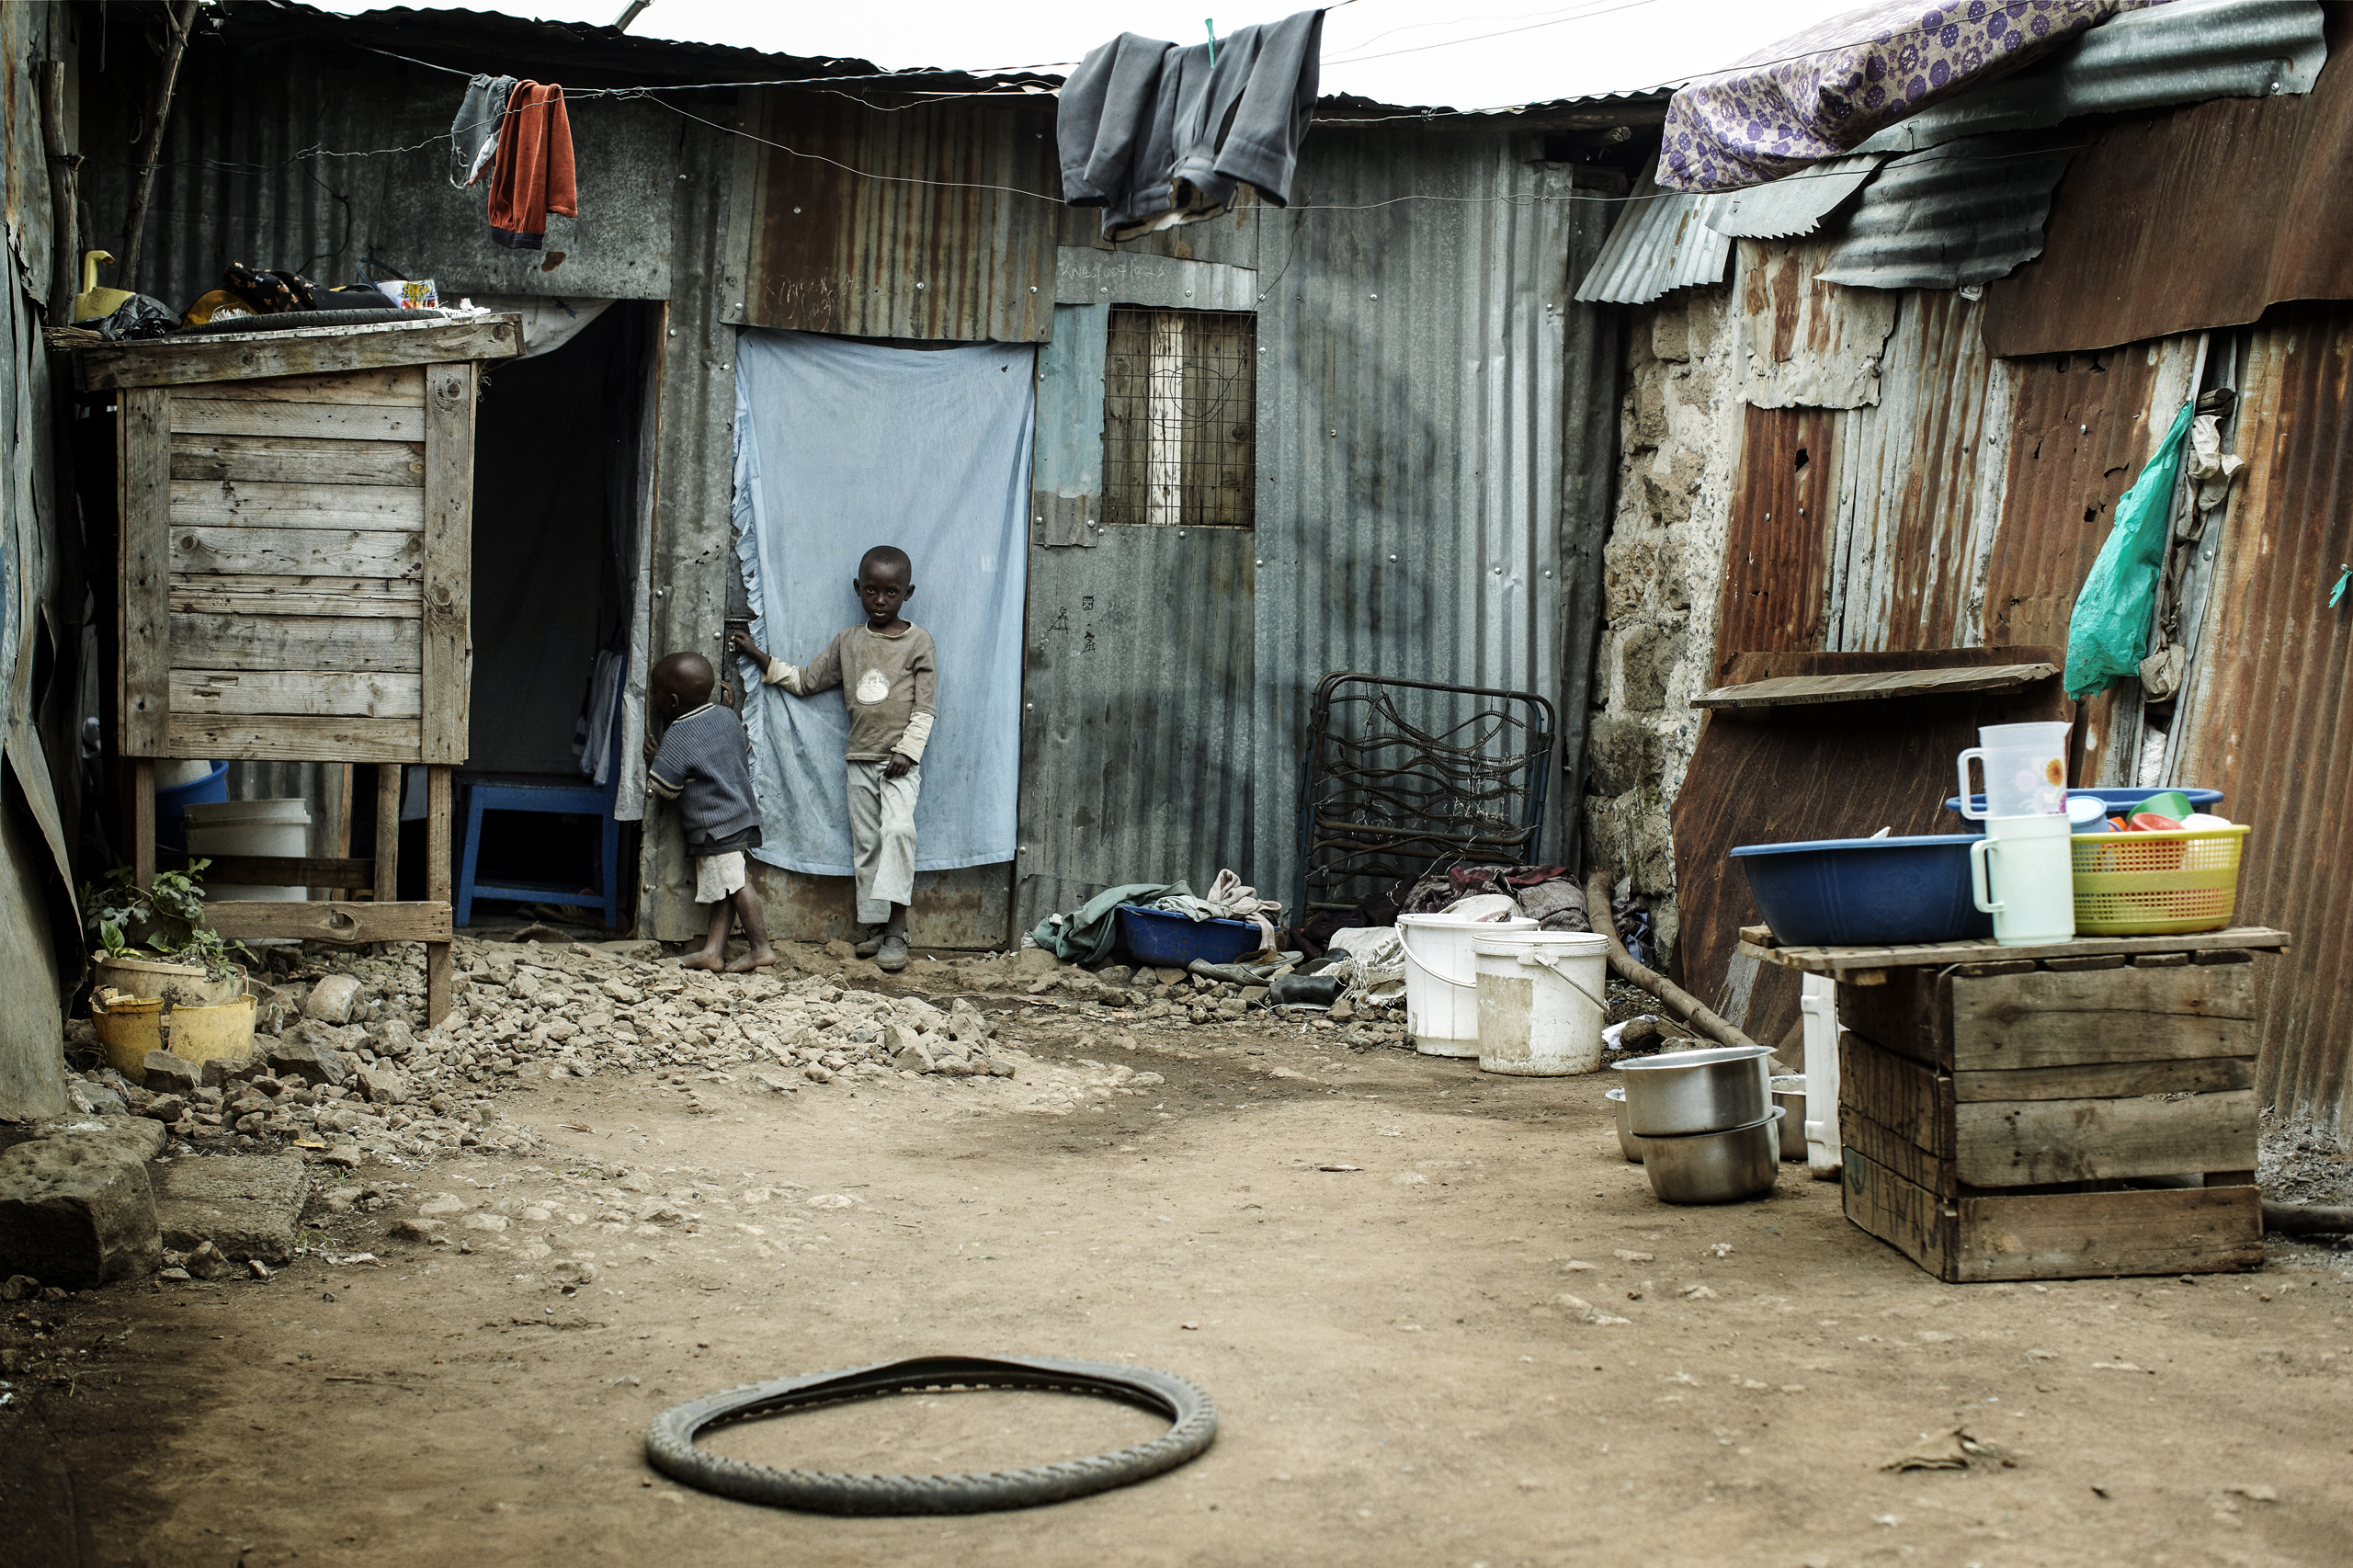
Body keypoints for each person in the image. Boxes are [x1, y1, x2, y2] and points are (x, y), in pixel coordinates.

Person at [729, 544, 935, 974]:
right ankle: (877, 929)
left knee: (898, 832)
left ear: (908, 593)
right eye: (872, 591)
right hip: (859, 760)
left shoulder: (919, 642)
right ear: (858, 589)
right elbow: (806, 681)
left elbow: (926, 708)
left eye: (891, 592)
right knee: (867, 846)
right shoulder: (849, 641)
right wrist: (759, 657)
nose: (880, 601)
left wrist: (907, 751)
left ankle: (898, 929)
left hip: (900, 763)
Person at [643, 650, 775, 973]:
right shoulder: (726, 717)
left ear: (672, 701)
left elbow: (666, 789)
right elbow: (739, 748)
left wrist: (657, 759)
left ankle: (760, 947)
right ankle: (713, 952)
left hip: (713, 824)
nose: (653, 698)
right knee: (726, 887)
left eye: (655, 693)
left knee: (737, 883)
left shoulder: (676, 734)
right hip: (739, 817)